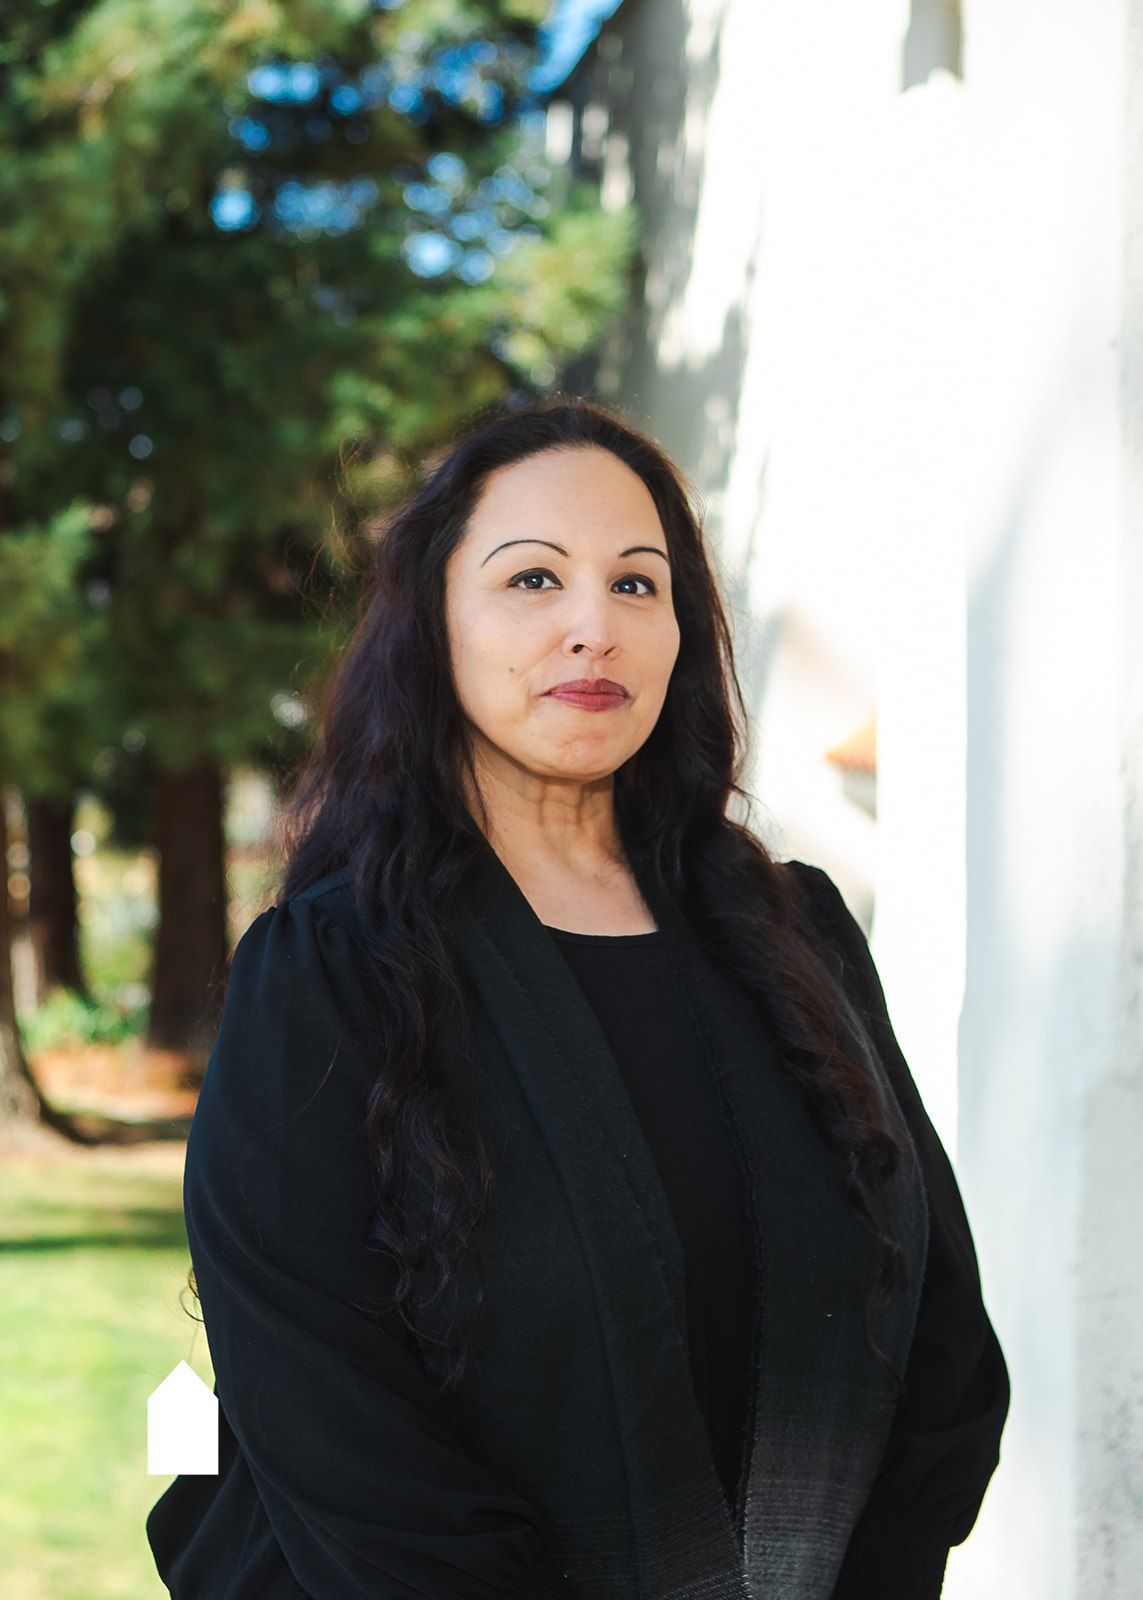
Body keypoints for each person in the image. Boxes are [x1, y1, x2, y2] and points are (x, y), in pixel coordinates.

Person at [146, 395, 1010, 1599]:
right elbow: (333, 1429)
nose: (593, 625)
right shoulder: (330, 976)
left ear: (681, 633)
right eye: (533, 580)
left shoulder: (799, 934)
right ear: (433, 624)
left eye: (638, 584)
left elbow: (942, 1345)